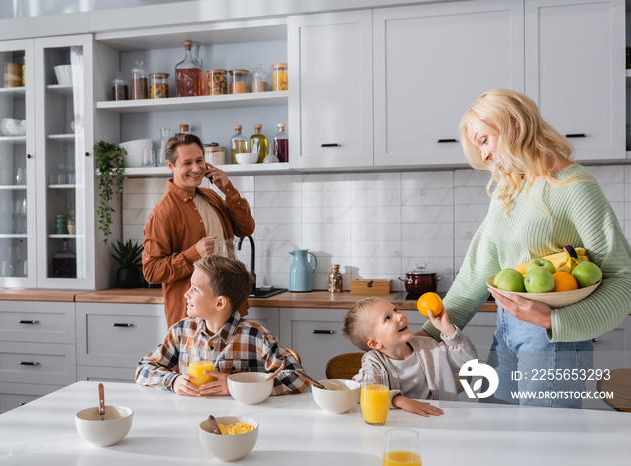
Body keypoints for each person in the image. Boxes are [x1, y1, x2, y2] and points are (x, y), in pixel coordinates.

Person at [416, 88, 631, 407]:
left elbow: (622, 281)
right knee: (496, 432)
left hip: (552, 341)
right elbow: (476, 273)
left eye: (484, 140)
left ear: (514, 123)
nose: (484, 156)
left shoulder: (575, 187)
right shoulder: (509, 190)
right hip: (506, 332)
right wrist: (427, 335)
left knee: (542, 446)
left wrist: (553, 322)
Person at [135, 255, 309, 396]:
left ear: (220, 303)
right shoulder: (181, 331)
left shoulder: (255, 336)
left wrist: (239, 385)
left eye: (195, 289)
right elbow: (143, 368)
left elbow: (299, 377)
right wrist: (173, 381)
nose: (186, 294)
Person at [142, 133, 255, 327]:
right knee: (197, 360)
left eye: (200, 160)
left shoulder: (211, 196)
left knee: (234, 358)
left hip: (229, 307)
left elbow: (246, 228)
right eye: (187, 163)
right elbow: (151, 271)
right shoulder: (163, 212)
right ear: (171, 166)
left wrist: (228, 189)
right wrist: (194, 253)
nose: (196, 169)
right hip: (192, 317)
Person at [342, 297, 478, 417]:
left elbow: (468, 363)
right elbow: (365, 390)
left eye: (395, 310)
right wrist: (399, 400)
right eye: (387, 318)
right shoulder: (373, 361)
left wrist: (448, 330)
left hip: (439, 417)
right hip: (398, 423)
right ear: (375, 343)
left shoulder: (429, 346)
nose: (399, 316)